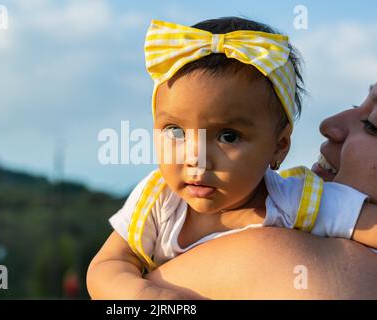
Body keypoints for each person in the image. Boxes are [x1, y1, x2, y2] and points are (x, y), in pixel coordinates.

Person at [86, 17, 377, 299]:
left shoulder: (297, 200)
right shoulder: (158, 201)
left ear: (279, 146)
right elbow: (107, 266)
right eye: (175, 131)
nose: (196, 157)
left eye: (228, 136)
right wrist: (140, 294)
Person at [145, 83, 377, 299]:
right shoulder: (161, 203)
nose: (328, 125)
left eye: (372, 125)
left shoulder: (285, 257)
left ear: (280, 145)